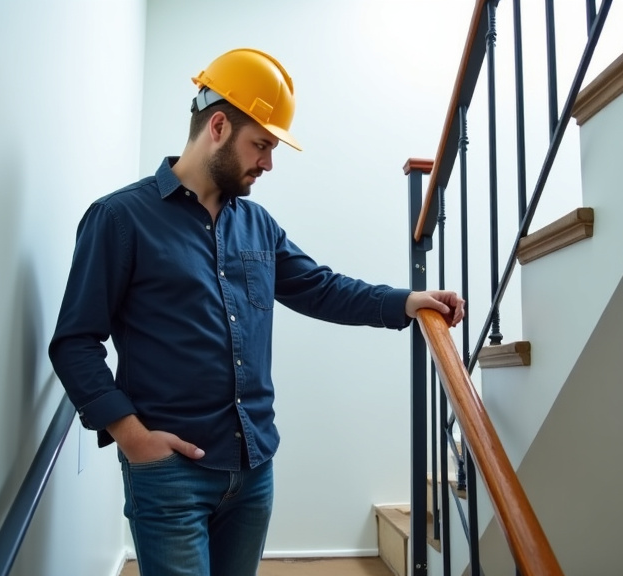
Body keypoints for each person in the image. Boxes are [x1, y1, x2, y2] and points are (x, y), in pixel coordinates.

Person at [48, 47, 465, 576]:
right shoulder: (120, 218)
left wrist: (405, 301)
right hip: (169, 470)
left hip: (253, 465)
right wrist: (132, 436)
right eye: (262, 145)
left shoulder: (258, 225)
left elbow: (319, 288)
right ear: (217, 126)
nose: (268, 162)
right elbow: (74, 342)